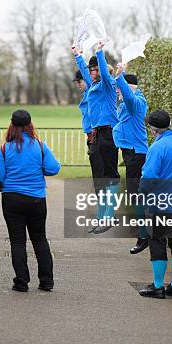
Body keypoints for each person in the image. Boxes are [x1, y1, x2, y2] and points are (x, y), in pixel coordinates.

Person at [0, 110, 61, 292]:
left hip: (12, 199)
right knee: (40, 239)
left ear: (11, 125)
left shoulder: (5, 148)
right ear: (30, 125)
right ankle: (46, 281)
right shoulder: (40, 146)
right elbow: (53, 168)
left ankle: (21, 281)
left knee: (17, 242)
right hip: (36, 199)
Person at [137, 110, 172, 299]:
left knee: (157, 242)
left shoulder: (157, 148)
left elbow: (149, 177)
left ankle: (158, 286)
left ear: (153, 129)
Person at [73, 42, 120, 233]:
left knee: (111, 176)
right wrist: (77, 55)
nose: (91, 72)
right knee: (100, 177)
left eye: (95, 69)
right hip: (97, 133)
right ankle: (101, 217)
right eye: (90, 70)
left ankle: (110, 216)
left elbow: (102, 71)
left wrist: (99, 52)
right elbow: (84, 72)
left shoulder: (109, 84)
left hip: (109, 132)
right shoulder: (92, 86)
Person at [114, 63, 149, 254]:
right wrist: (121, 73)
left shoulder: (135, 102)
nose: (117, 90)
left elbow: (127, 95)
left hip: (136, 154)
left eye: (119, 87)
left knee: (136, 196)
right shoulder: (131, 100)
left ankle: (144, 236)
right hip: (131, 153)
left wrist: (120, 76)